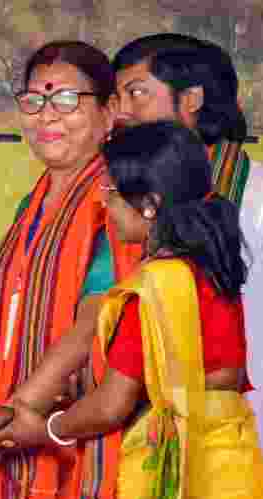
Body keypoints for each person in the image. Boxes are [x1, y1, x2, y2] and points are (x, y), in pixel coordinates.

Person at [0, 121, 263, 499]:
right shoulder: (215, 272)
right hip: (232, 473)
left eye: (111, 193)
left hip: (174, 479)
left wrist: (46, 428)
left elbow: (113, 404)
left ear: (150, 205)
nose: (105, 205)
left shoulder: (152, 288)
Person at [0, 41, 143, 499]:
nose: (48, 115)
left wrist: (6, 423)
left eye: (67, 100)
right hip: (9, 450)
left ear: (110, 110)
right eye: (34, 101)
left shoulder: (114, 196)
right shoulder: (36, 201)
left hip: (72, 450)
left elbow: (95, 319)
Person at [111, 32, 263, 444]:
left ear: (192, 99)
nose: (121, 113)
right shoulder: (132, 204)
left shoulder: (254, 196)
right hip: (173, 438)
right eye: (117, 98)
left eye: (136, 93)